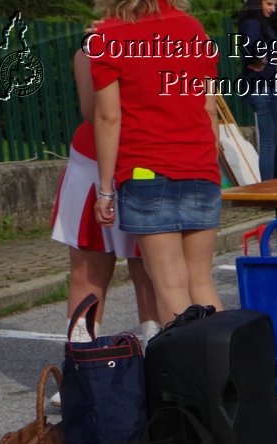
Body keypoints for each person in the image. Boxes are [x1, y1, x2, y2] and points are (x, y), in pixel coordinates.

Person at [89, 0, 223, 327]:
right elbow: (209, 108)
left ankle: (187, 376)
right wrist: (210, 161)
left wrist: (106, 189)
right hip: (200, 166)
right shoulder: (193, 29)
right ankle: (223, 372)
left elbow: (108, 117)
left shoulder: (107, 36)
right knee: (201, 282)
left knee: (170, 286)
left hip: (145, 168)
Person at [54, 43, 159, 343]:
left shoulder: (96, 45)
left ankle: (84, 373)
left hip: (121, 159)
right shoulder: (172, 38)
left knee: (98, 273)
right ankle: (155, 371)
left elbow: (95, 111)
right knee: (149, 273)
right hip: (132, 158)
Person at [237, 0, 277, 181]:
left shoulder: (258, 24)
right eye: (269, 3)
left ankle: (273, 183)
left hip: (265, 85)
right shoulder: (253, 23)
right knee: (270, 142)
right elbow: (254, 49)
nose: (273, 9)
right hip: (262, 86)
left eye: (275, 5)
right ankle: (269, 188)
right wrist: (268, 60)